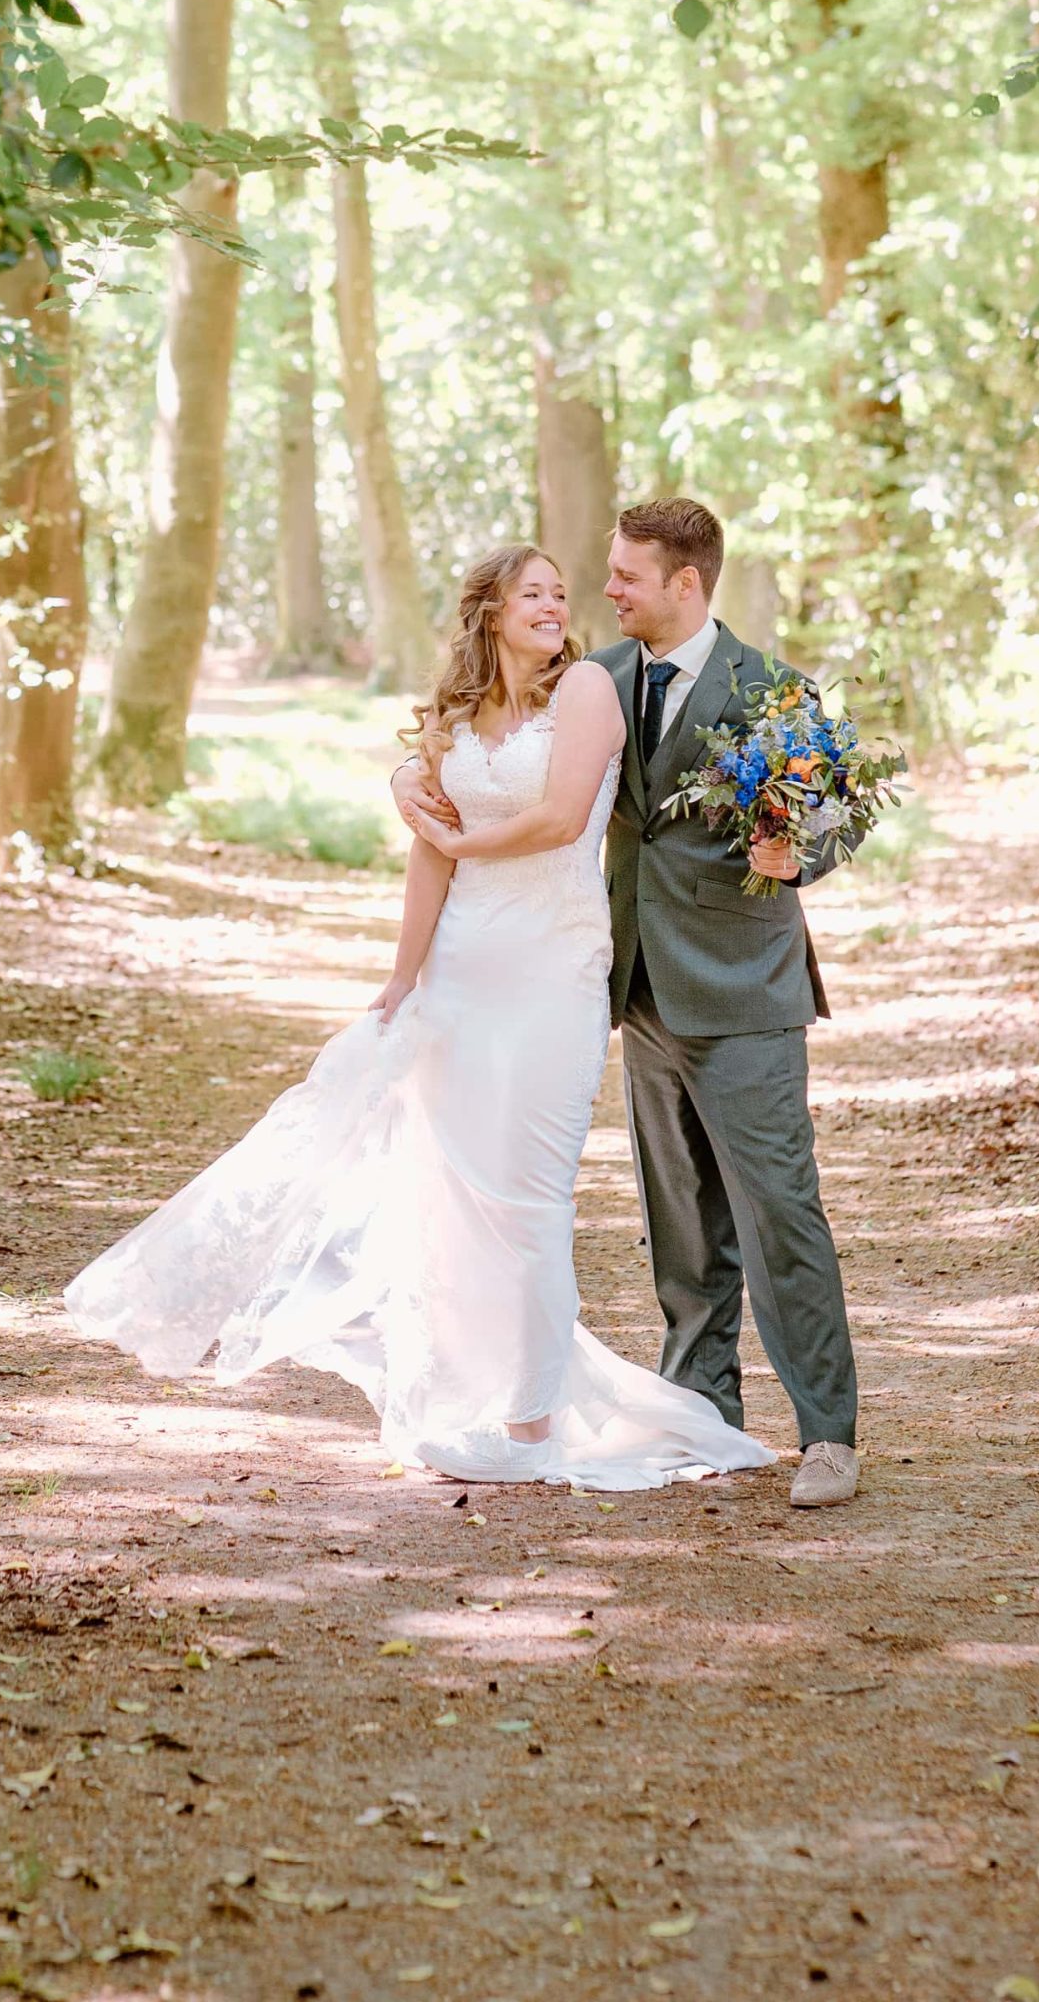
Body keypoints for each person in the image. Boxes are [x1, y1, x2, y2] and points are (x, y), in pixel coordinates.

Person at [64, 542, 770, 1492]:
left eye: (563, 593)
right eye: (534, 594)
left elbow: (562, 821)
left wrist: (458, 833)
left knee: (531, 1201)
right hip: (460, 973)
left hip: (554, 970)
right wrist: (403, 978)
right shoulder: (451, 719)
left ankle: (530, 1432)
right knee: (453, 1196)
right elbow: (428, 859)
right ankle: (477, 1399)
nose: (557, 606)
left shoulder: (590, 694)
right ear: (488, 611)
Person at [394, 498, 861, 1510]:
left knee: (779, 1213)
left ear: (685, 584)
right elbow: (485, 721)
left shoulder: (771, 690)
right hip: (634, 984)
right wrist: (404, 773)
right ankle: (703, 1407)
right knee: (682, 1224)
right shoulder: (594, 681)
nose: (608, 591)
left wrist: (801, 849)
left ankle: (828, 1433)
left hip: (743, 990)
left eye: (627, 577)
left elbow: (832, 811)